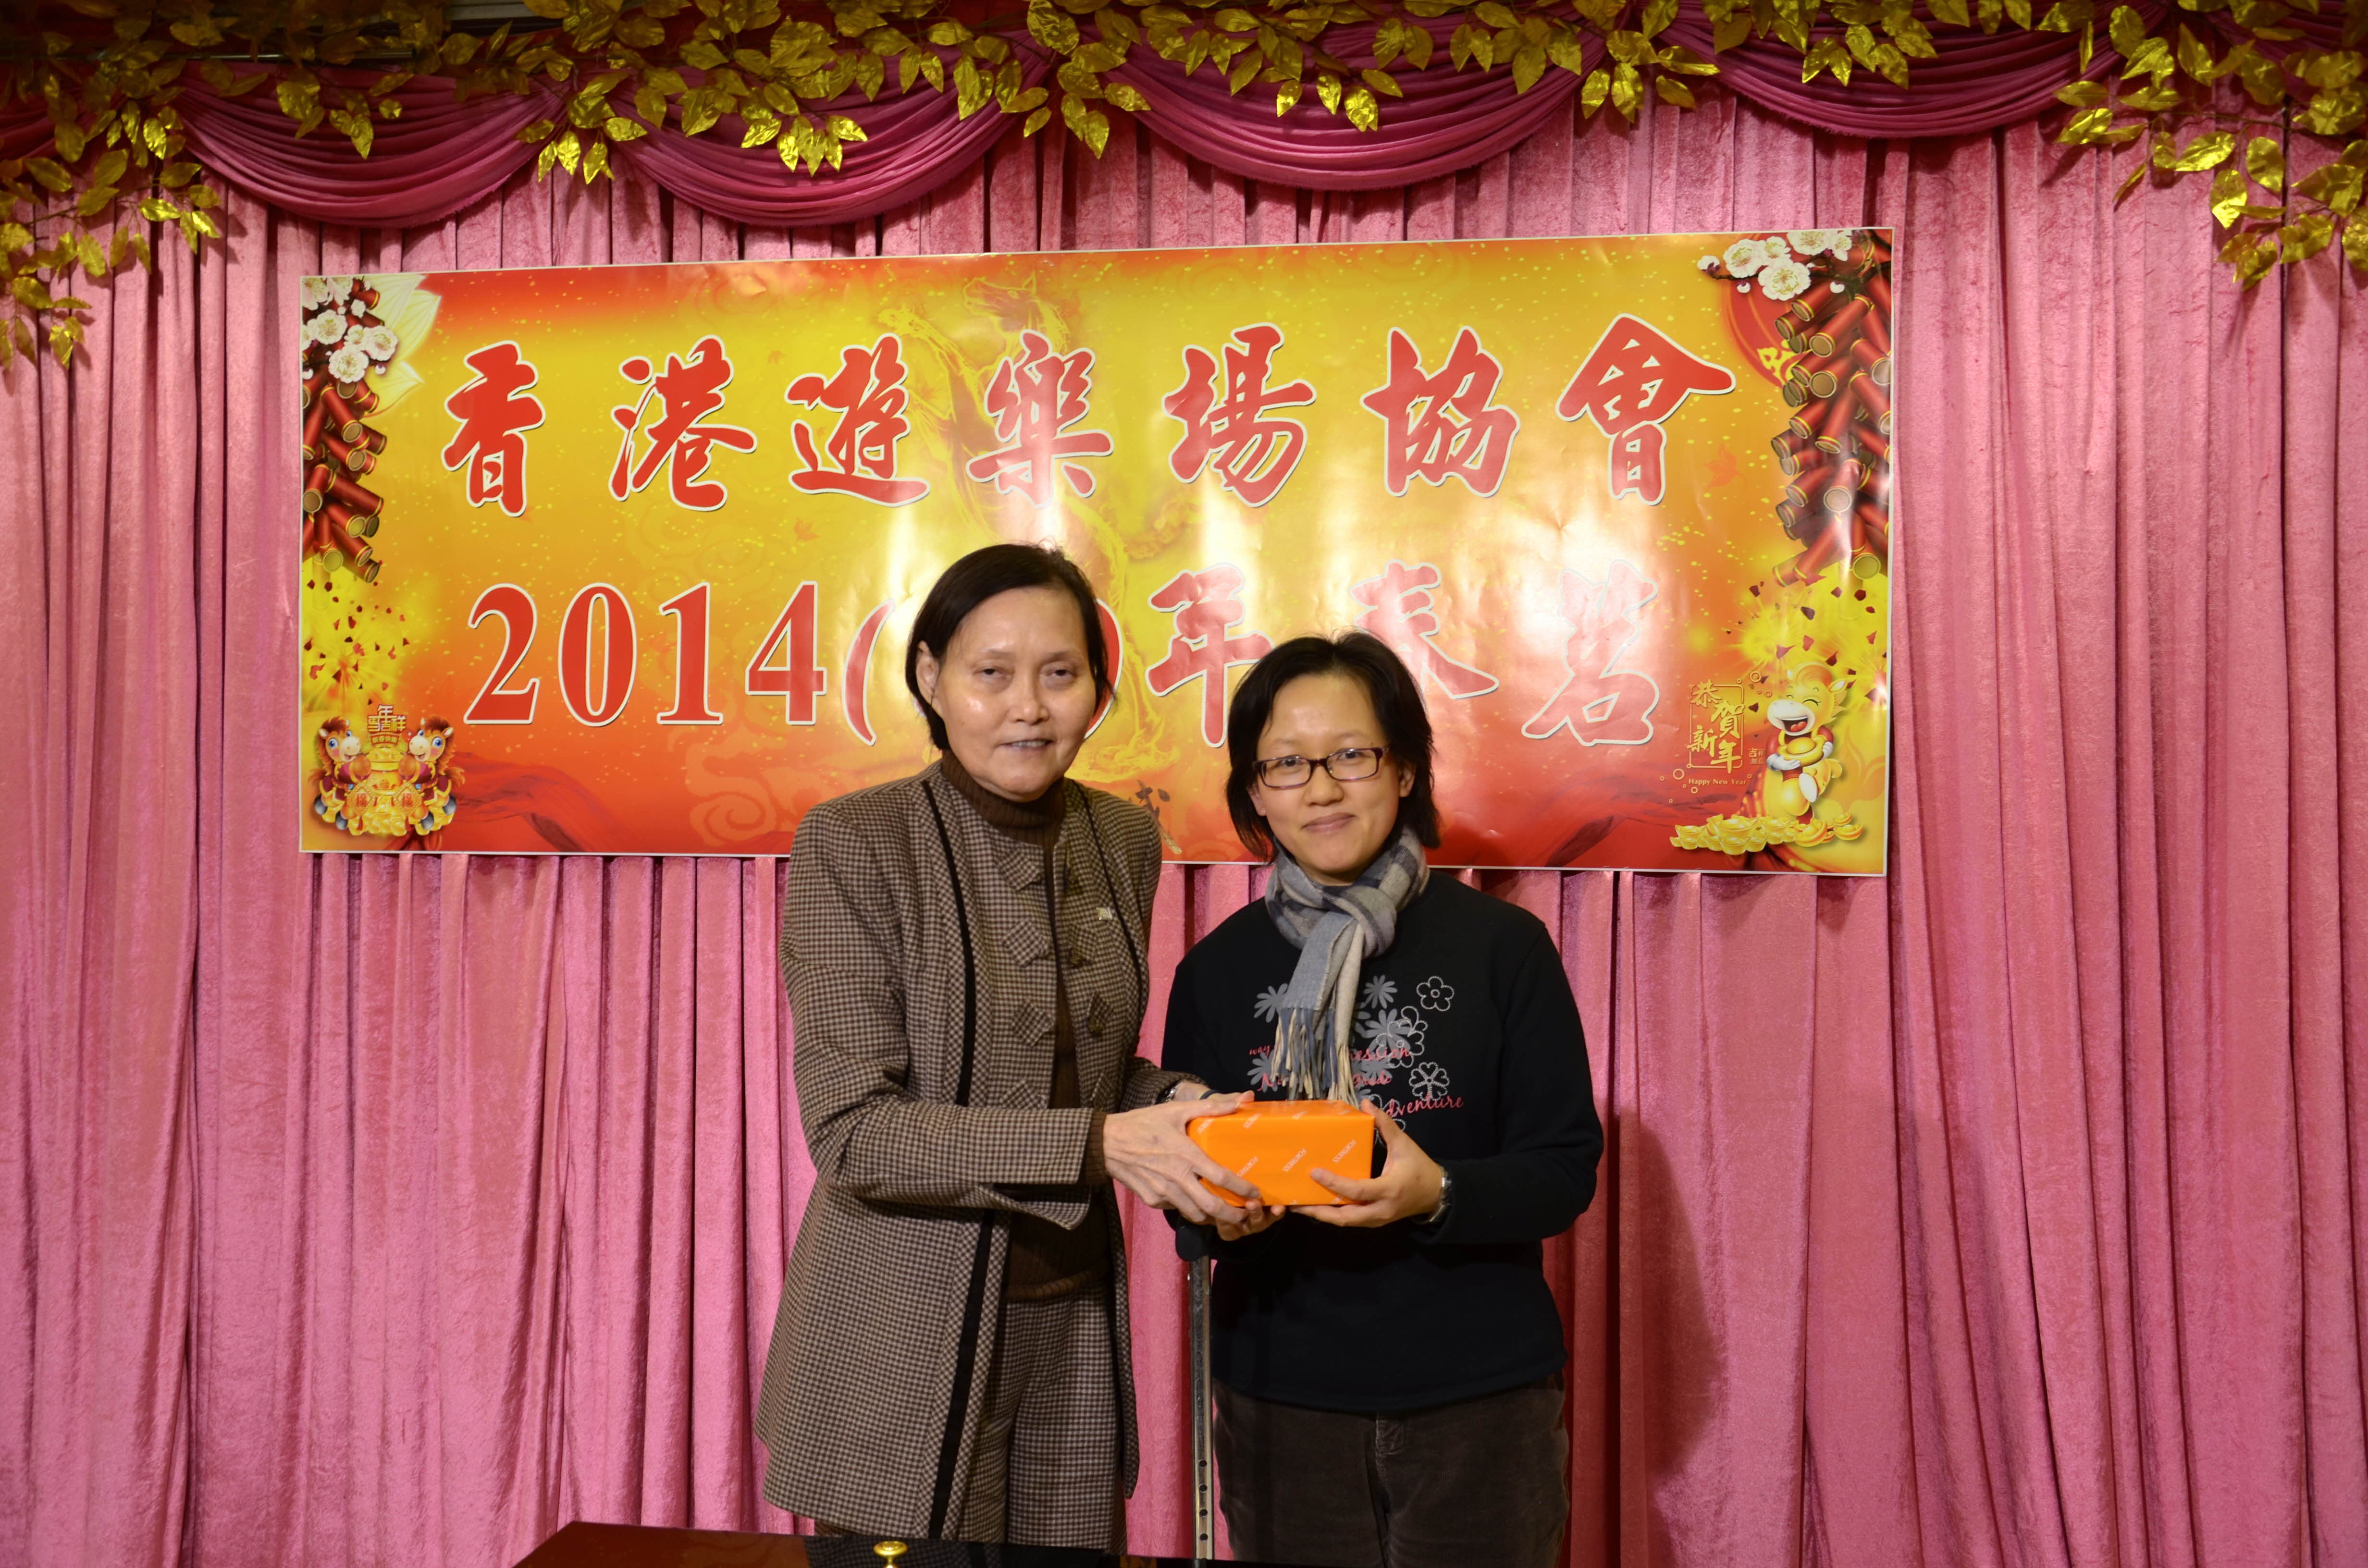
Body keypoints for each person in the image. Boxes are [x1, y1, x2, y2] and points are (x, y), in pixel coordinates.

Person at [757, 543, 1258, 1550]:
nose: (1028, 707)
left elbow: (1088, 1069)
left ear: (1098, 691)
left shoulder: (1121, 838)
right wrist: (1105, 1146)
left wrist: (1178, 1105)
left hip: (1073, 1326)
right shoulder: (856, 841)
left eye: (1060, 673)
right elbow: (854, 1133)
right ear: (931, 677)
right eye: (992, 672)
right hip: (899, 1341)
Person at [1161, 631, 1604, 1568]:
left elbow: (1564, 1170)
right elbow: (1186, 1198)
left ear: (1403, 769)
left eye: (1351, 756)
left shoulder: (1503, 949)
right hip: (1281, 1401)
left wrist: (1433, 1191)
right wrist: (1222, 1213)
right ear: (1254, 793)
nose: (1321, 789)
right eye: (1286, 765)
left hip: (1479, 1400)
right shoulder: (1215, 971)